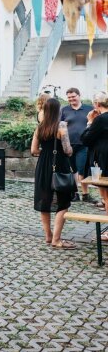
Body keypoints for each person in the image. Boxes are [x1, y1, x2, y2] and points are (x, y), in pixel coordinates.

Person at [32, 98, 75, 249]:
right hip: (59, 165)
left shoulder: (39, 128)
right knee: (62, 202)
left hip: (43, 165)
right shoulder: (61, 127)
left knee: (44, 201)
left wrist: (46, 152)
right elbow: (68, 150)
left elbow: (34, 150)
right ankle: (57, 240)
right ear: (58, 111)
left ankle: (48, 236)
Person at [61, 87, 93, 202]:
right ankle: (75, 194)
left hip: (84, 144)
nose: (71, 99)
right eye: (69, 97)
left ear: (79, 95)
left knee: (82, 170)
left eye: (73, 96)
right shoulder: (64, 110)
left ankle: (85, 194)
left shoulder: (89, 109)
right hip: (68, 145)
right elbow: (60, 126)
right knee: (72, 170)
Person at [82, 92, 108, 227]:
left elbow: (85, 139)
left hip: (103, 159)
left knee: (106, 196)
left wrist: (90, 122)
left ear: (97, 104)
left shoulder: (101, 119)